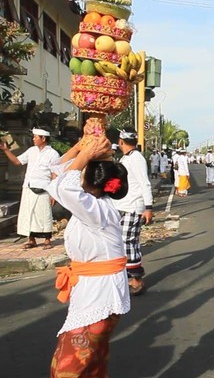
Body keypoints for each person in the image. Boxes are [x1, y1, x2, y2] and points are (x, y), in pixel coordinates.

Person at [47, 133, 130, 377]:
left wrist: (86, 156)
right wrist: (80, 148)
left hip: (100, 293)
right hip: (94, 289)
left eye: (81, 169)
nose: (76, 171)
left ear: (88, 179)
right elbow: (59, 175)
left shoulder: (95, 210)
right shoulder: (92, 205)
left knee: (68, 367)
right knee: (91, 364)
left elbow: (61, 185)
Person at [0, 128, 59, 249]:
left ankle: (47, 240)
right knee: (28, 214)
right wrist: (5, 150)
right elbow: (17, 161)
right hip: (28, 185)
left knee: (44, 214)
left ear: (43, 138)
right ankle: (31, 239)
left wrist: (54, 193)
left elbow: (54, 174)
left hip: (44, 187)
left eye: (35, 137)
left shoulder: (53, 154)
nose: (33, 139)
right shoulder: (31, 151)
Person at [113, 128, 153, 295]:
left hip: (133, 207)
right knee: (121, 244)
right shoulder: (126, 158)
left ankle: (137, 279)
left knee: (129, 243)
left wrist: (148, 207)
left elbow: (145, 183)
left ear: (121, 141)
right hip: (122, 205)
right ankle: (127, 277)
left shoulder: (136, 159)